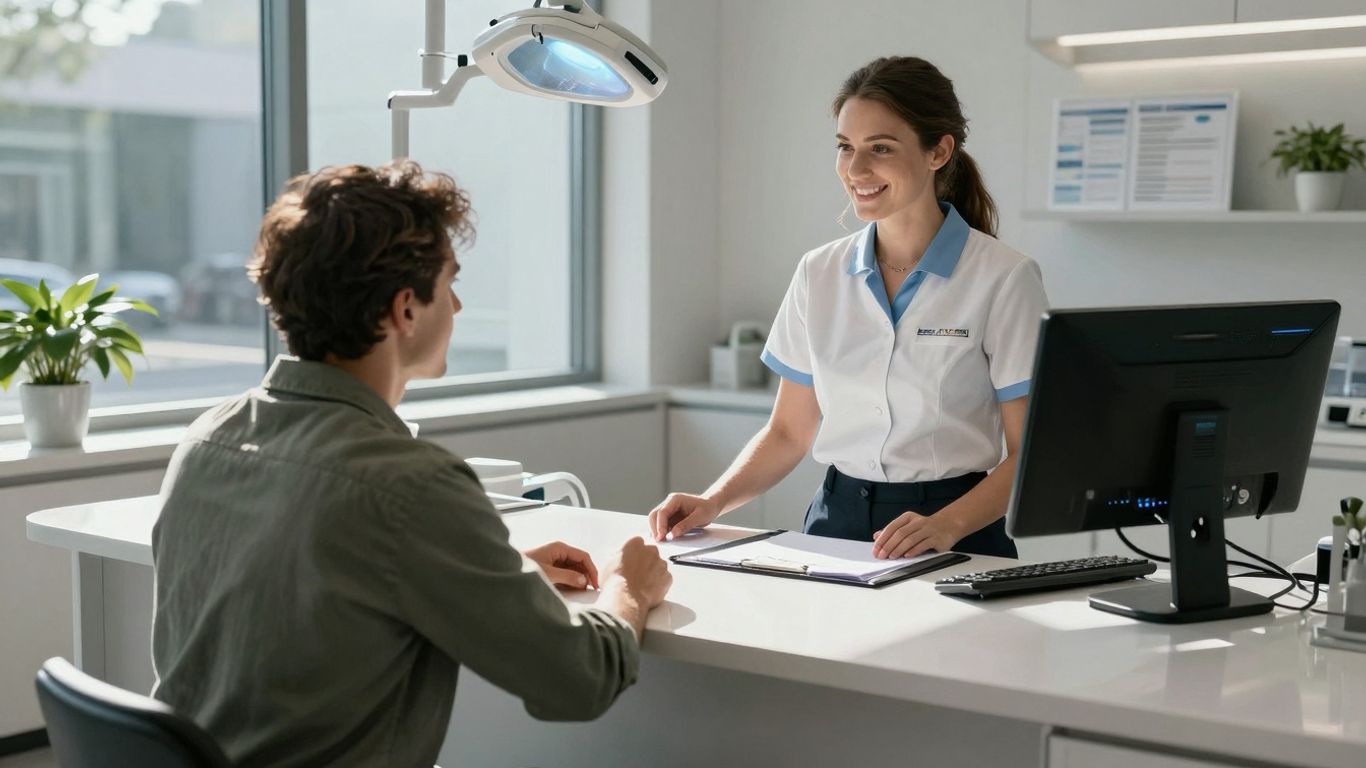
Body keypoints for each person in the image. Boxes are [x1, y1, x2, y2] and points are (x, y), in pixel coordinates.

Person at [150, 161, 672, 768]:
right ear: (405, 309)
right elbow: (578, 680)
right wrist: (629, 587)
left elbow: (300, 600)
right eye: (449, 282)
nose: (456, 303)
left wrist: (490, 575)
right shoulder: (410, 485)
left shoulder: (206, 439)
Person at [650, 56, 1048, 561]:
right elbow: (789, 431)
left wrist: (947, 526)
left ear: (939, 152)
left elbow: (1031, 453)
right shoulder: (818, 273)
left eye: (880, 148)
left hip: (958, 529)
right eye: (845, 148)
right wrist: (713, 501)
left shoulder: (1003, 278)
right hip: (834, 524)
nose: (856, 170)